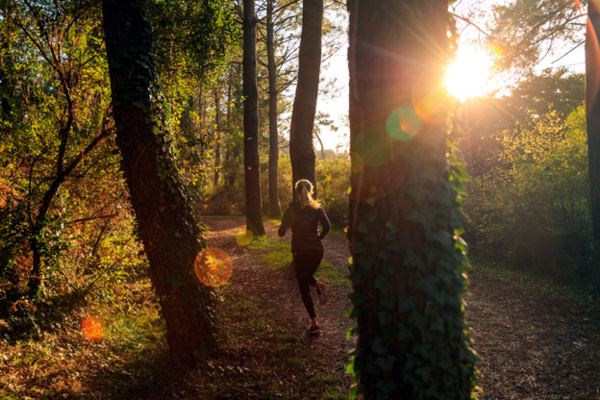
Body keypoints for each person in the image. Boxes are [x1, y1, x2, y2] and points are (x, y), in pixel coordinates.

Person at [278, 179, 331, 335]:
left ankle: (314, 323)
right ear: (311, 190)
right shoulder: (317, 208)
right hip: (317, 251)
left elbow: (281, 232)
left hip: (300, 251)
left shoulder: (292, 209)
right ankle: (318, 284)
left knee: (303, 283)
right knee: (308, 275)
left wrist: (287, 226)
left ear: (296, 192)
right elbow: (327, 226)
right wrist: (319, 238)